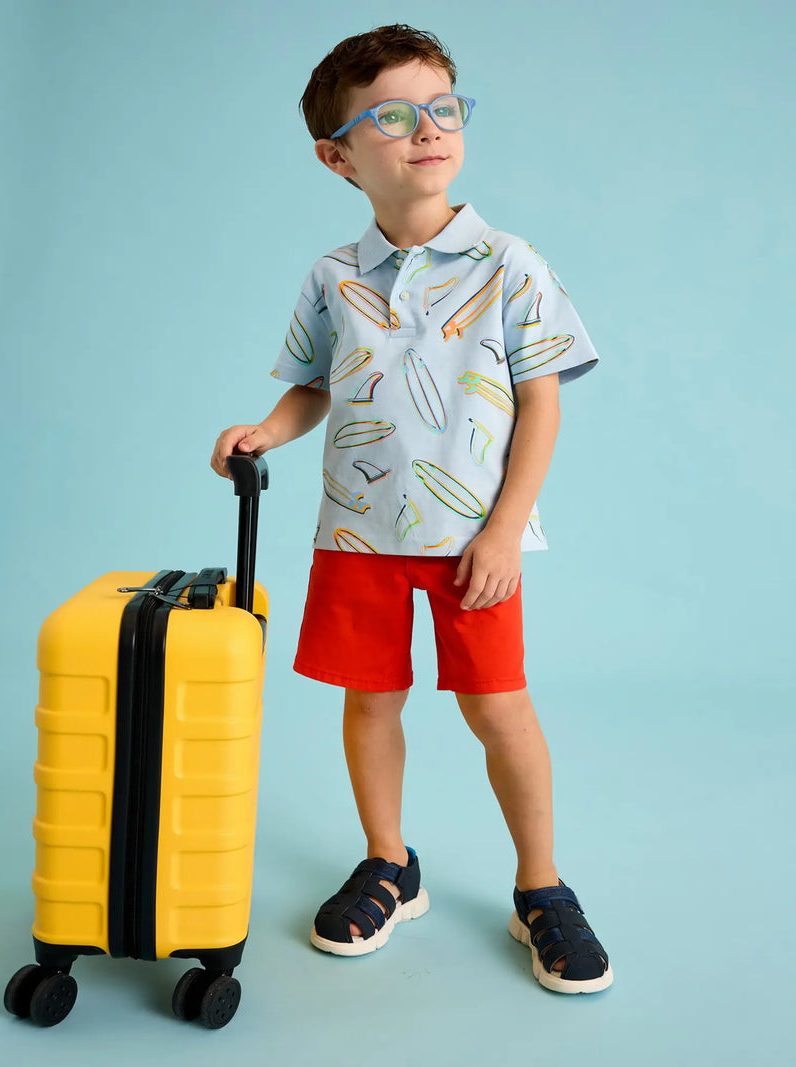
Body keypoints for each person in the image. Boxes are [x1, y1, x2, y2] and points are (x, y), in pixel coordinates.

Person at [211, 24, 612, 994]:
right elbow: (314, 385)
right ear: (337, 155)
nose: (425, 128)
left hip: (476, 539)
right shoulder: (331, 276)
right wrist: (266, 427)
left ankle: (541, 886)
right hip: (356, 530)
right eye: (391, 115)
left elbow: (541, 401)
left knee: (495, 704)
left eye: (440, 107)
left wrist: (507, 526)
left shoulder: (509, 263)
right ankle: (389, 861)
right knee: (370, 698)